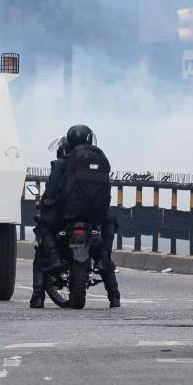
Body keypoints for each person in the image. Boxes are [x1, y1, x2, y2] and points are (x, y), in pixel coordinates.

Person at [43, 124, 120, 308]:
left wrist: (47, 203)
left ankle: (53, 259)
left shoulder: (63, 162)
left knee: (43, 224)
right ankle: (114, 295)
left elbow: (52, 191)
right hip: (96, 214)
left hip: (69, 214)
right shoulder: (98, 158)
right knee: (107, 232)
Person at [29, 138, 71, 308]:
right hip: (91, 216)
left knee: (41, 247)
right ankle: (113, 293)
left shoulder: (60, 165)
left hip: (62, 216)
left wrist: (43, 202)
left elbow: (51, 191)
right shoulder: (92, 164)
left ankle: (38, 296)